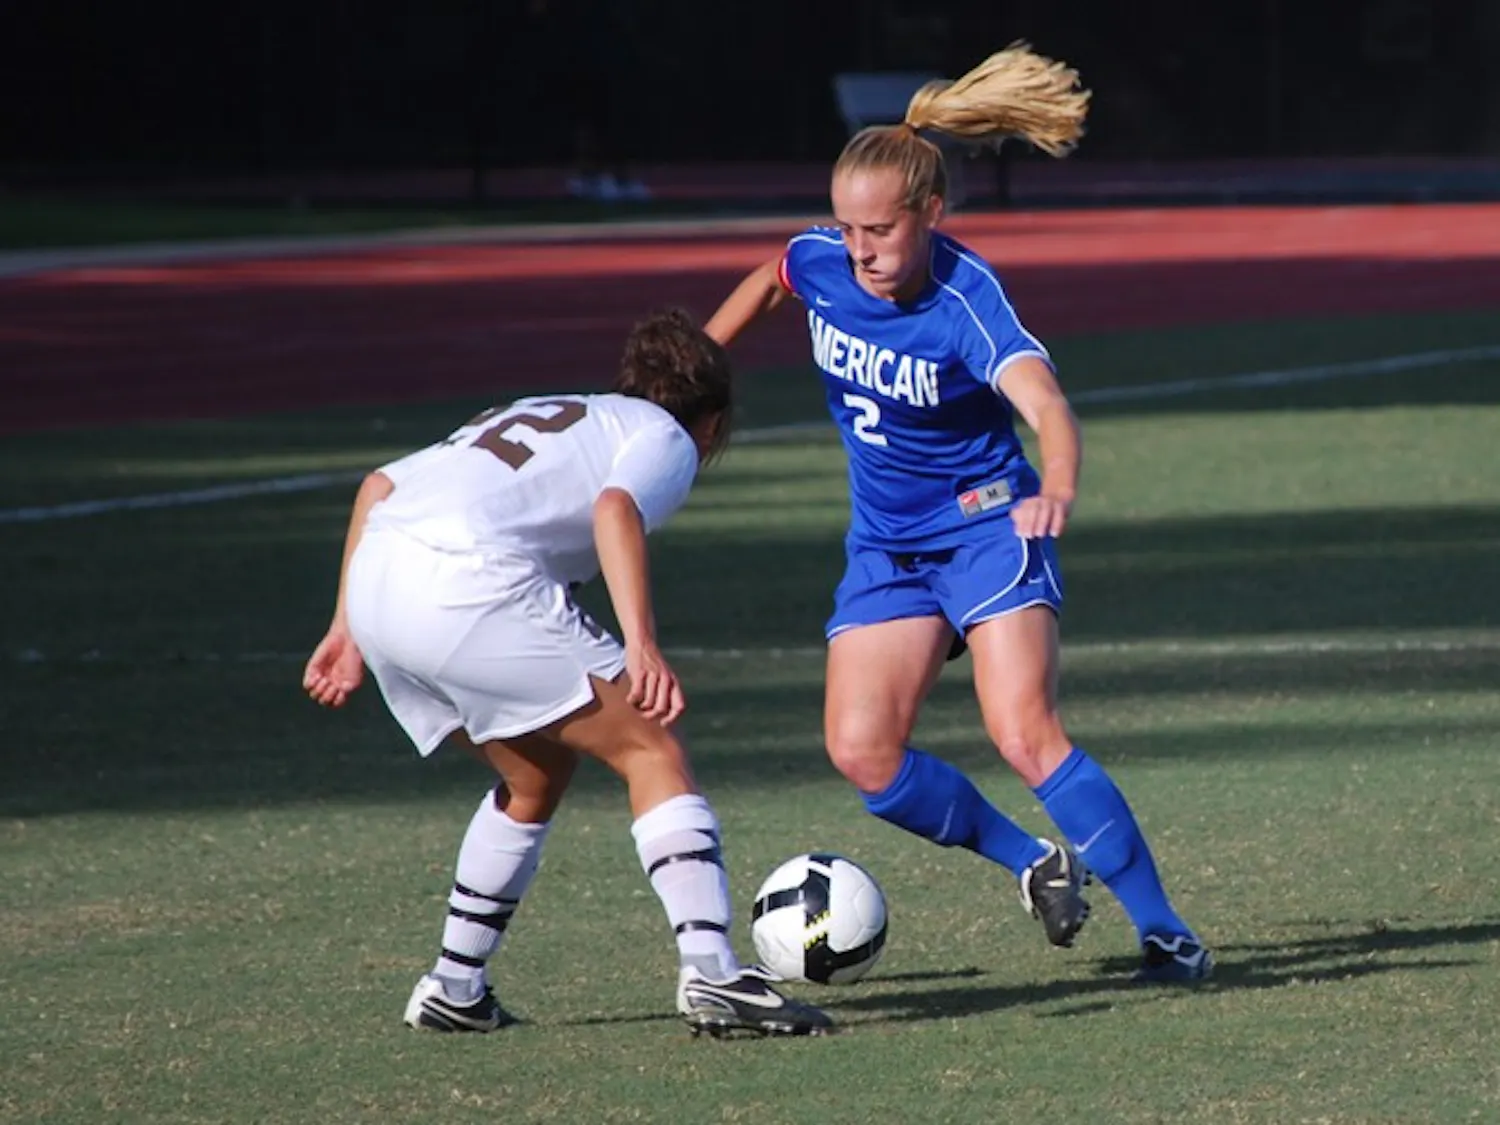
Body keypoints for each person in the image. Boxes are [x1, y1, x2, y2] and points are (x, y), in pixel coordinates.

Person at [703, 45, 1211, 982]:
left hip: (989, 530)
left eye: (880, 232)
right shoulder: (825, 262)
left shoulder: (965, 302)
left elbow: (1047, 406)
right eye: (849, 229)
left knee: (1023, 731)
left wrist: (1055, 483)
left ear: (931, 214)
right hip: (889, 551)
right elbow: (774, 275)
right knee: (863, 755)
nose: (860, 251)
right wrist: (703, 360)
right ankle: (1032, 864)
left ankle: (1165, 930)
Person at [302, 308, 831, 1036]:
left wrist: (343, 627)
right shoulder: (667, 435)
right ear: (712, 422)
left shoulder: (560, 411)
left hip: (379, 582)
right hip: (468, 583)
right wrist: (640, 644)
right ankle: (712, 971)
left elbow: (377, 485)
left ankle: (454, 984)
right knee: (652, 746)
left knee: (535, 774)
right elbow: (616, 509)